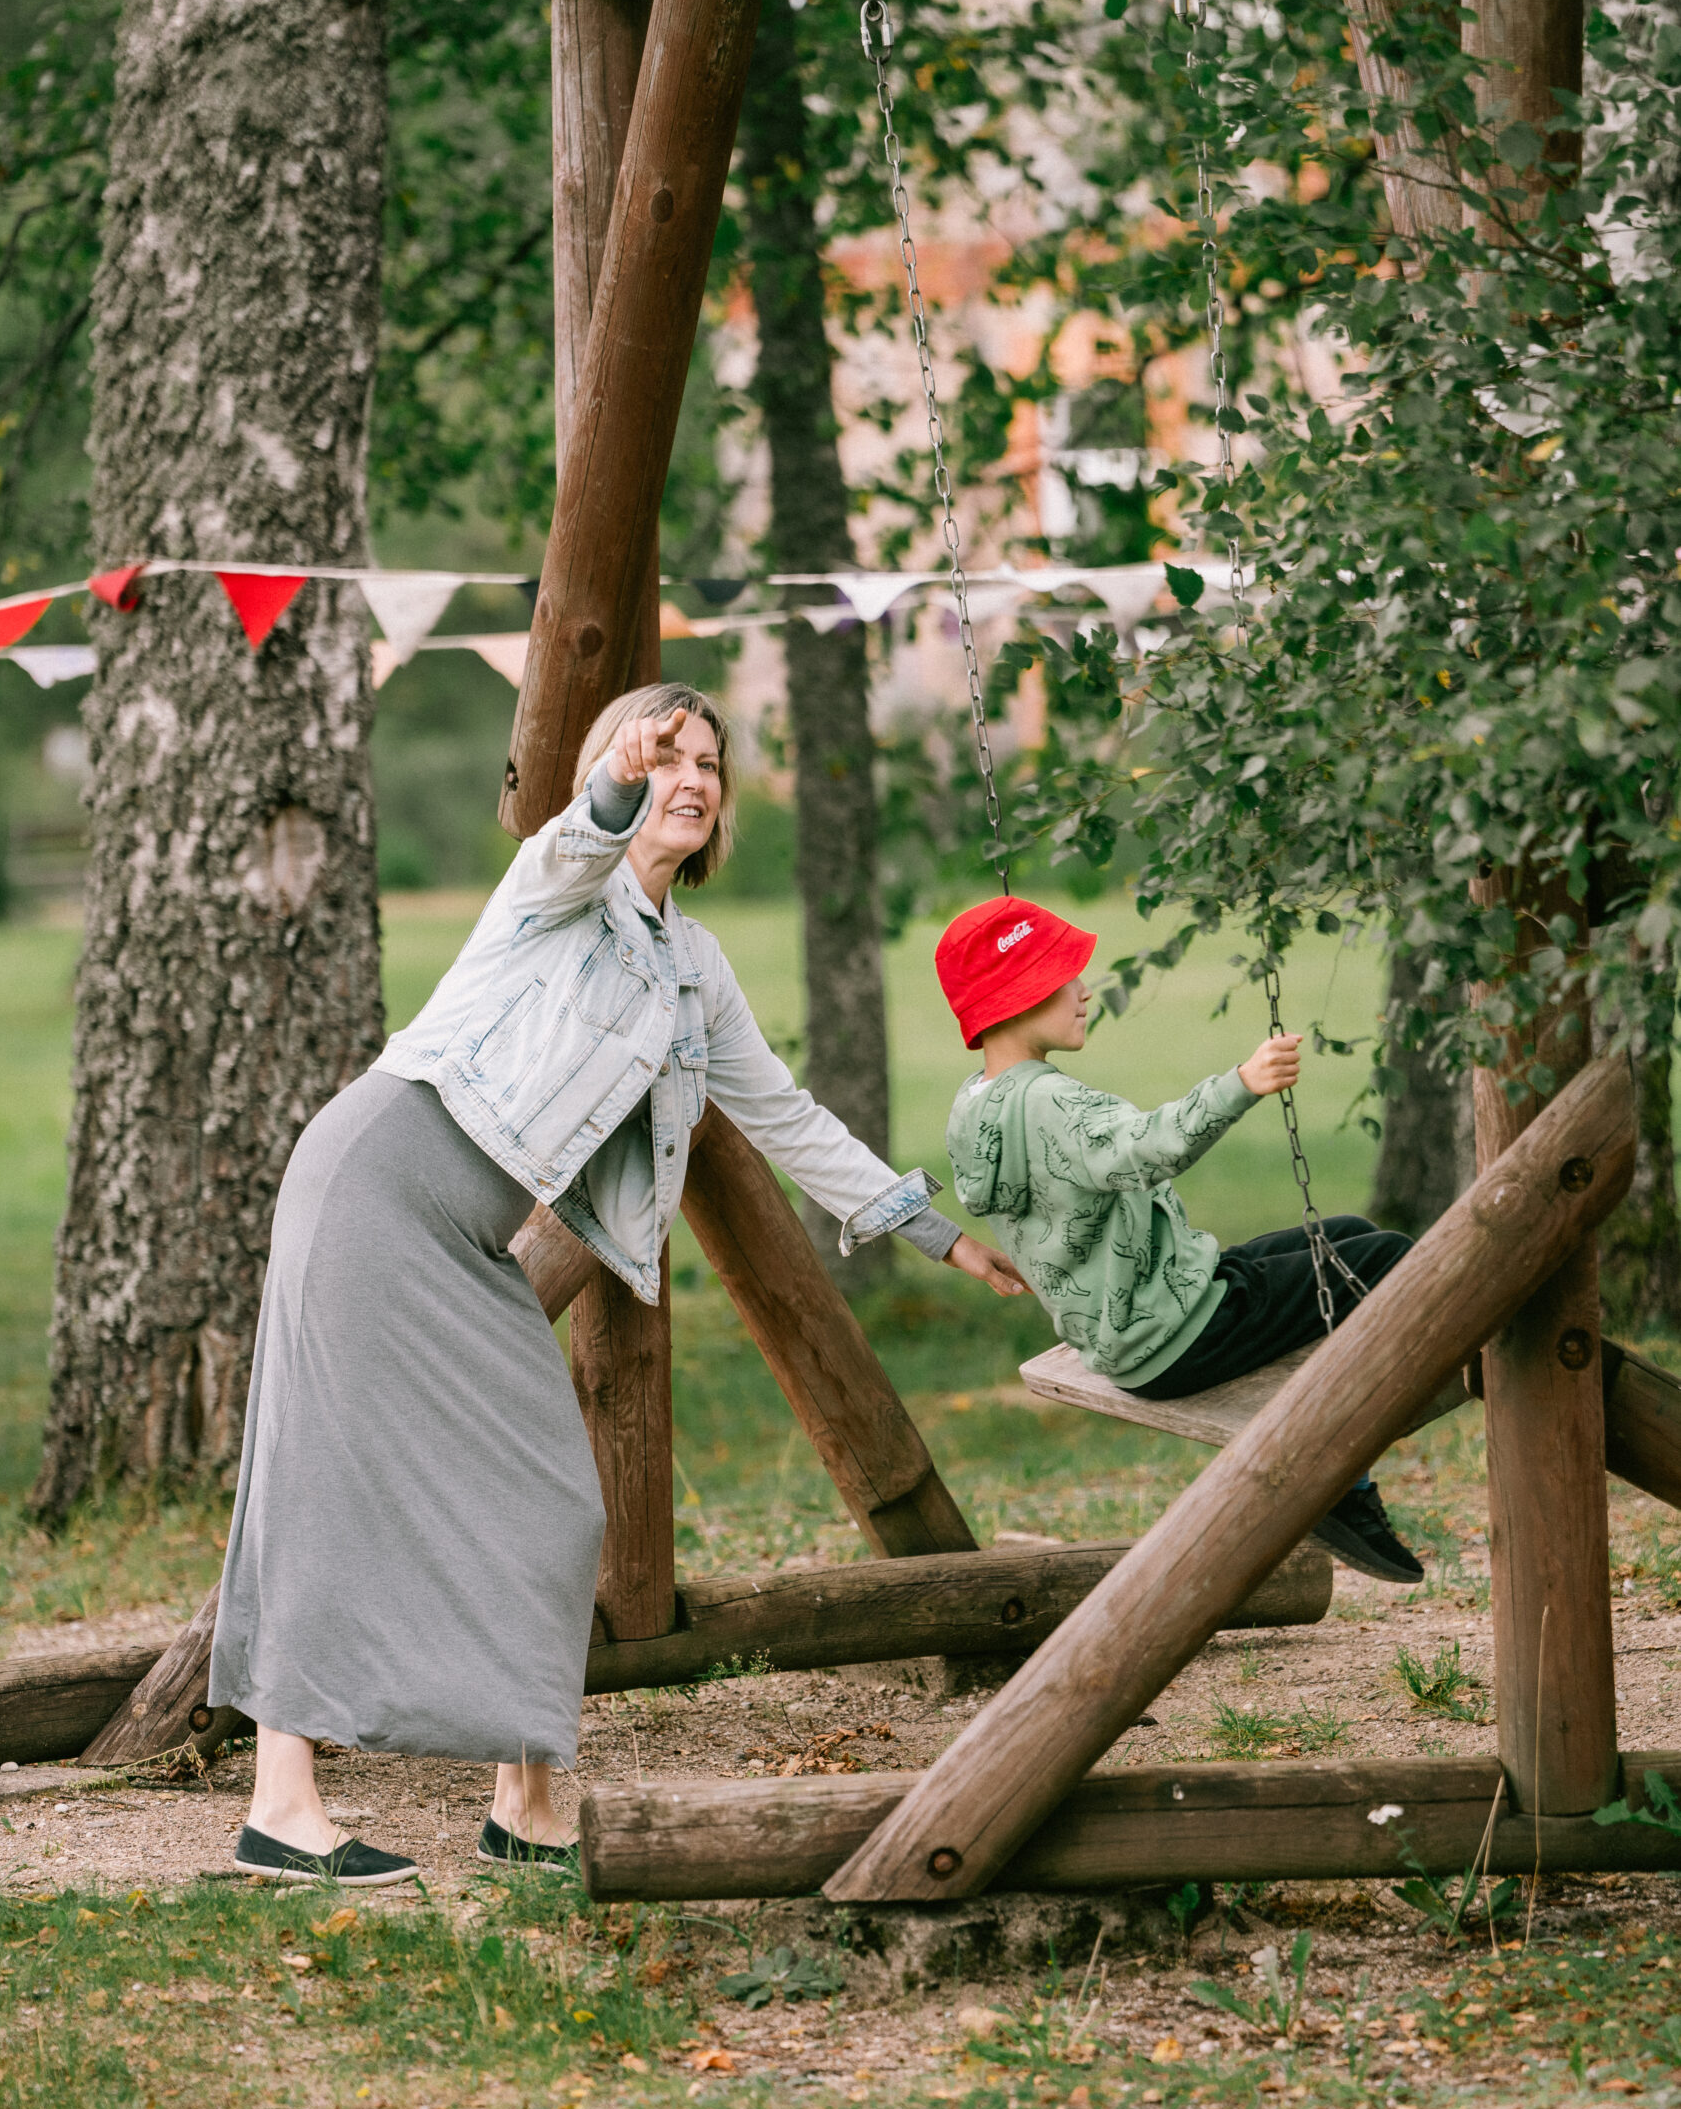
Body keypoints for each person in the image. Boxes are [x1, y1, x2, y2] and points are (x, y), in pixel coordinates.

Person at [208, 685, 1026, 1887]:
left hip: (460, 1234)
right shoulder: (558, 888)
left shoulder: (695, 968)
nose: (692, 778)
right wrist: (612, 783)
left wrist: (935, 1234)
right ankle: (284, 1804)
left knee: (552, 1506)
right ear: (622, 769)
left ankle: (524, 1803)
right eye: (668, 756)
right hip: (377, 1181)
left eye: (711, 763)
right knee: (330, 1473)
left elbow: (784, 1115)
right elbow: (569, 841)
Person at [934, 896, 1424, 1585]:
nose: (1084, 991)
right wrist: (1242, 1084)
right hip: (1180, 1335)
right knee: (1391, 1260)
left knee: (1348, 1237)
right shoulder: (1052, 1103)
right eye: (1065, 977)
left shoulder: (974, 1103)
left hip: (1135, 1319)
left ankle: (1342, 1474)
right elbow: (1150, 1146)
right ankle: (1338, 1483)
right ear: (1018, 996)